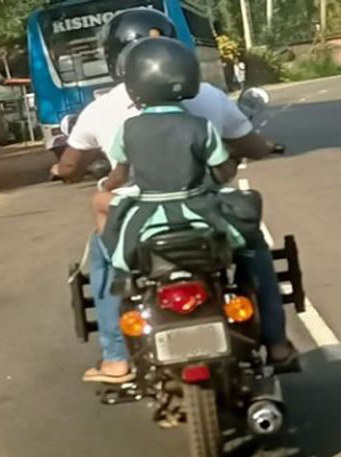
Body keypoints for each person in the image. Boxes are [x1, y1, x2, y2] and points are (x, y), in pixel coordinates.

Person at [55, 8, 298, 384]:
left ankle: (116, 357)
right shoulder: (207, 104)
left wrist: (94, 182)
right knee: (254, 247)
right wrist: (246, 154)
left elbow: (96, 172)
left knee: (103, 254)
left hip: (142, 221)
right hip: (204, 213)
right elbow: (228, 165)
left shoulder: (106, 114)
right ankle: (278, 344)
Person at [98, 37, 246, 271]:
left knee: (113, 254)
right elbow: (224, 171)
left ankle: (116, 290)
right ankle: (268, 302)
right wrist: (232, 162)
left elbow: (119, 176)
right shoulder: (200, 126)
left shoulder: (128, 129)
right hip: (199, 209)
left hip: (146, 215)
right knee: (249, 243)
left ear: (134, 83)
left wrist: (105, 185)